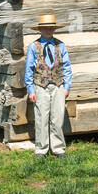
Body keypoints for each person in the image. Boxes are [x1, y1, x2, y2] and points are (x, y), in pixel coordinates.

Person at [24, 15, 72, 157]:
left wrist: (66, 86)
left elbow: (67, 66)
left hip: (58, 86)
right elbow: (29, 69)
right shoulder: (34, 46)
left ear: (54, 29)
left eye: (51, 28)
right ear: (40, 29)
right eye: (45, 28)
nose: (48, 30)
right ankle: (41, 149)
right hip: (40, 86)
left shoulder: (60, 45)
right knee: (41, 118)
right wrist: (30, 89)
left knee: (57, 118)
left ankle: (58, 148)